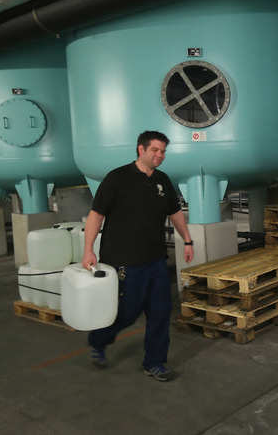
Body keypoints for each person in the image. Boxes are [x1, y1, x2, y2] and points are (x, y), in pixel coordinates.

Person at [81, 130, 194, 382]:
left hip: (155, 259)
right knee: (126, 313)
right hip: (124, 260)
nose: (160, 155)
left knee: (160, 312)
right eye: (155, 150)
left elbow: (175, 213)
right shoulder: (117, 178)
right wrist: (88, 249)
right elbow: (96, 215)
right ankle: (98, 340)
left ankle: (154, 362)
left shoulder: (163, 180)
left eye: (163, 151)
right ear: (140, 150)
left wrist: (187, 239)